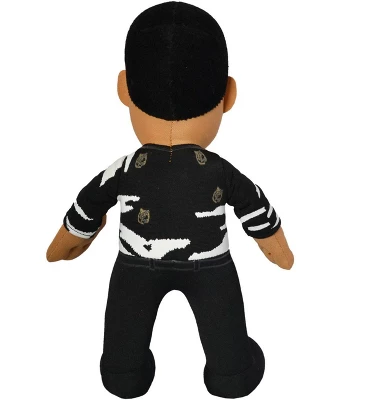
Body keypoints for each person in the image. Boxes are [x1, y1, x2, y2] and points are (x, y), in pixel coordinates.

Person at [46, 2, 294, 398]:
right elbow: (257, 210)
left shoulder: (125, 168)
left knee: (125, 324)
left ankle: (123, 373)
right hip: (210, 265)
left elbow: (86, 208)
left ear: (124, 89)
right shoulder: (219, 170)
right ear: (229, 96)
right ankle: (231, 373)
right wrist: (280, 252)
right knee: (225, 326)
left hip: (135, 264)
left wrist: (66, 246)